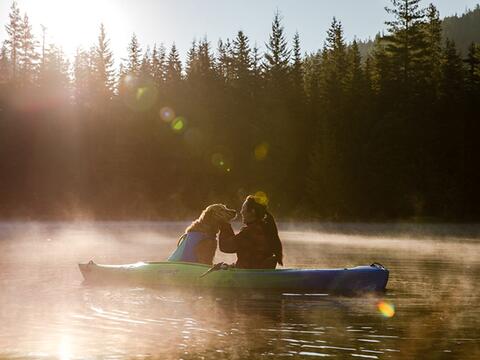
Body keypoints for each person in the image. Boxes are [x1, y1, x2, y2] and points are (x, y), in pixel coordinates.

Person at [218, 195, 283, 269]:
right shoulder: (266, 228)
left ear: (252, 211)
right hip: (257, 271)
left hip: (249, 274)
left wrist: (224, 224)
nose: (241, 212)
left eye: (243, 208)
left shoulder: (250, 232)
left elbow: (226, 246)